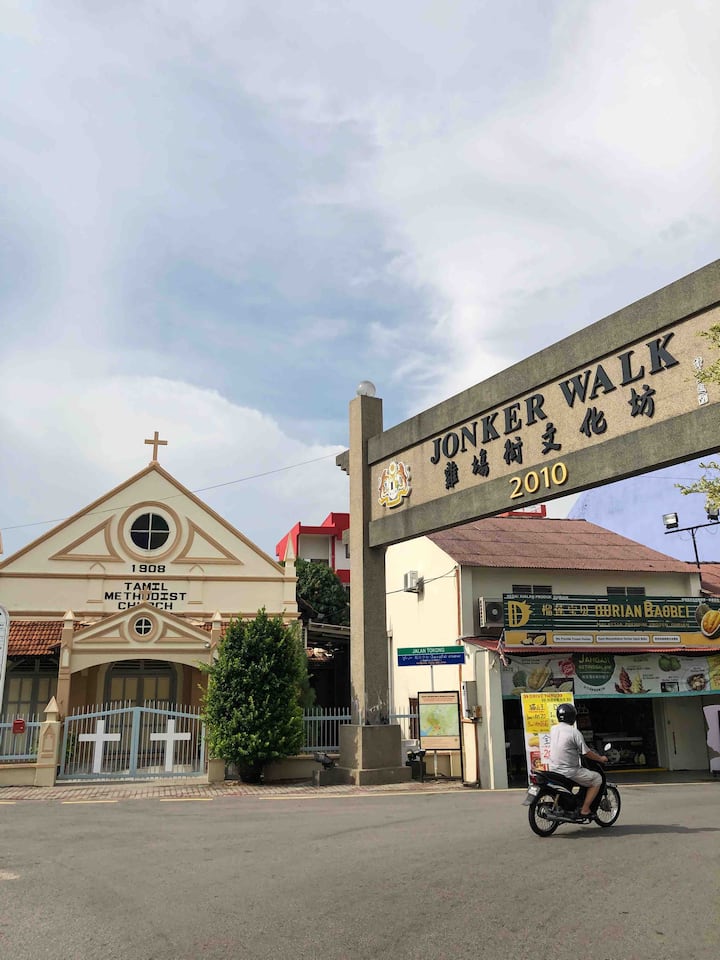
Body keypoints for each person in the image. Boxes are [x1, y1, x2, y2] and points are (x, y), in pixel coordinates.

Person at [549, 702, 607, 819]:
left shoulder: (553, 729)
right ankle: (585, 810)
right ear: (572, 717)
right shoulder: (574, 732)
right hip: (569, 771)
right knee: (597, 778)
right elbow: (586, 752)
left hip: (554, 769)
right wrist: (600, 758)